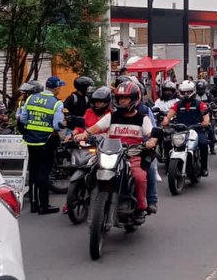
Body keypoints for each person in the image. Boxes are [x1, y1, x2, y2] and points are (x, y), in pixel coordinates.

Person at [74, 81, 157, 217]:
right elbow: (96, 127)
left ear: (134, 98)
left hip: (133, 155)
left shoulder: (143, 119)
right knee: (91, 169)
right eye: (119, 98)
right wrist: (84, 134)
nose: (121, 101)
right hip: (111, 153)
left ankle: (142, 205)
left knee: (139, 176)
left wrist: (151, 141)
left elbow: (151, 134)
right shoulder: (112, 116)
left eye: (125, 98)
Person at [19, 76, 65, 214]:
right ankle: (44, 206)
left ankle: (34, 204)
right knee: (43, 173)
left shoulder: (31, 98)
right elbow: (57, 126)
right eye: (60, 87)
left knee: (33, 171)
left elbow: (23, 119)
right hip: (46, 142)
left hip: (30, 141)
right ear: (56, 88)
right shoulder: (57, 103)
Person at [163, 79, 211, 176]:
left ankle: (204, 168)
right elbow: (169, 115)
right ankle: (169, 166)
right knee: (167, 142)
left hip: (196, 130)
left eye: (188, 92)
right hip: (180, 131)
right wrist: (165, 121)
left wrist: (205, 122)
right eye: (183, 92)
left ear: (193, 91)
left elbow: (206, 116)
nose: (186, 94)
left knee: (203, 144)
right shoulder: (177, 104)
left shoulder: (199, 103)